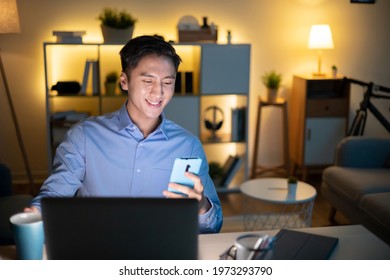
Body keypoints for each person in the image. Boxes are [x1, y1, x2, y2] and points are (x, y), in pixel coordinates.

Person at [26, 35, 223, 233]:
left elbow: (214, 225)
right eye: (148, 80)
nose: (159, 92)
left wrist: (200, 206)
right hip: (96, 249)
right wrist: (36, 214)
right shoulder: (84, 136)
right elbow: (56, 194)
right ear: (124, 81)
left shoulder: (188, 145)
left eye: (167, 82)